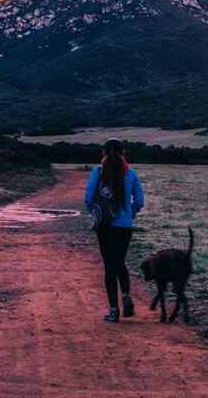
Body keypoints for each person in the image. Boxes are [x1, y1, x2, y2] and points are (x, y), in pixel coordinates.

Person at [84, 138, 144, 322]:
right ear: (123, 153)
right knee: (119, 262)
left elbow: (88, 198)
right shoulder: (132, 173)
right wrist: (129, 214)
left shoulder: (98, 171)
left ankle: (113, 310)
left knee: (109, 267)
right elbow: (140, 202)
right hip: (124, 226)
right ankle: (126, 296)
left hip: (105, 227)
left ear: (103, 153)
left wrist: (96, 214)